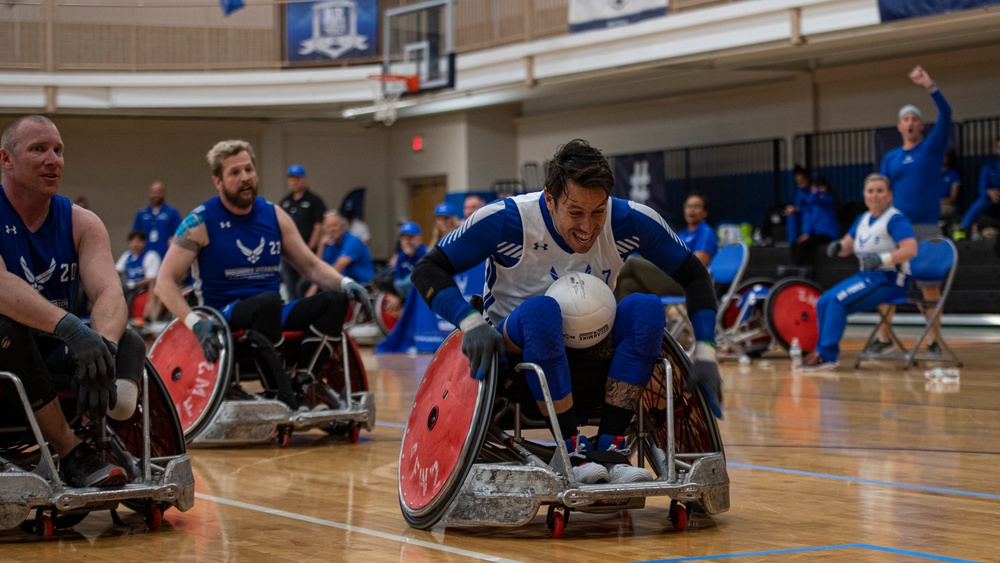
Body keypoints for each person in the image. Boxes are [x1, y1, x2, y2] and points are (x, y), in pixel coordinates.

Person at [411, 139, 722, 485]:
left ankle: (611, 448)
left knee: (645, 308)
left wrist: (707, 351)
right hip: (514, 350)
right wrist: (469, 323)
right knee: (544, 311)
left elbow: (695, 276)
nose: (588, 227)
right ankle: (571, 448)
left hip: (595, 347)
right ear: (550, 199)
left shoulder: (630, 221)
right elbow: (428, 269)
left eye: (597, 212)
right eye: (575, 212)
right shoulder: (508, 219)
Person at [154, 141, 370, 411]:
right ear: (218, 182)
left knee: (334, 301)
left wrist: (346, 283)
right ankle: (278, 390)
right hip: (224, 316)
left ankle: (302, 383)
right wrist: (193, 321)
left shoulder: (274, 215)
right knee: (267, 303)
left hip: (269, 311)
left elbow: (312, 267)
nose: (244, 177)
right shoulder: (200, 221)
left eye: (248, 169)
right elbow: (164, 282)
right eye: (234, 173)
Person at [0, 115, 147, 488]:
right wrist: (72, 329)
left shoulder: (83, 222)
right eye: (38, 149)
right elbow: (3, 287)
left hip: (47, 351)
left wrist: (103, 350)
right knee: (8, 329)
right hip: (6, 348)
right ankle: (71, 451)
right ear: (6, 160)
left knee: (127, 339)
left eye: (59, 150)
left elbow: (109, 293)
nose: (53, 159)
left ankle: (106, 430)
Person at [802, 174, 917, 371]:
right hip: (867, 277)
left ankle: (827, 356)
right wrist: (837, 247)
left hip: (889, 280)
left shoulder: (895, 219)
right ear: (864, 195)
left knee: (838, 301)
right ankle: (821, 350)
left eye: (880, 191)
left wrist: (883, 259)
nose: (875, 195)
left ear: (889, 195)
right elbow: (848, 245)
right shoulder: (862, 219)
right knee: (824, 300)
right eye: (870, 191)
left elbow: (910, 249)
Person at [876, 65, 951, 354]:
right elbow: (881, 194)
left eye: (915, 119)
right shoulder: (891, 158)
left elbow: (946, 115)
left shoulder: (931, 149)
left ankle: (933, 341)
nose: (910, 123)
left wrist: (929, 85)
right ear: (899, 126)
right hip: (896, 230)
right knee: (886, 284)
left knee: (929, 286)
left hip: (926, 228)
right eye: (905, 119)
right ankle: (884, 340)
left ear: (921, 126)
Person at [614, 192, 715, 301]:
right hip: (670, 275)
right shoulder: (682, 234)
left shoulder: (706, 232)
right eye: (688, 206)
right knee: (628, 285)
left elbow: (696, 267)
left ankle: (599, 287)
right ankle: (627, 317)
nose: (691, 210)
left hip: (687, 282)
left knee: (631, 263)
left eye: (696, 206)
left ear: (705, 213)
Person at [279, 164, 327, 300]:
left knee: (304, 284)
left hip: (306, 250)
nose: (294, 182)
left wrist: (310, 247)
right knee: (290, 284)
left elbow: (318, 226)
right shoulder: (285, 202)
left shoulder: (313, 200)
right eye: (291, 179)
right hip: (288, 252)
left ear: (304, 179)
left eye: (297, 178)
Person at [305, 210, 374, 297]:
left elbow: (338, 268)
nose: (332, 229)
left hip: (360, 285)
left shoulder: (353, 241)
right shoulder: (330, 244)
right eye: (328, 227)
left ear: (342, 226)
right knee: (304, 284)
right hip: (342, 284)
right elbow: (317, 266)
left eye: (335, 225)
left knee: (320, 290)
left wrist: (314, 287)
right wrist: (321, 246)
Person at [788, 177, 839, 268]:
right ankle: (797, 268)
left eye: (820, 187)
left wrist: (815, 192)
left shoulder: (829, 198)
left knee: (805, 245)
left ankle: (802, 269)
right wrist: (806, 234)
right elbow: (807, 206)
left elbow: (817, 200)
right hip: (816, 234)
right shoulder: (814, 204)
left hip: (828, 234)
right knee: (796, 244)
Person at [957, 137, 1000, 238]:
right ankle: (960, 232)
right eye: (999, 147)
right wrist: (990, 193)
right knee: (982, 200)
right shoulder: (989, 167)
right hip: (991, 199)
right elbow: (982, 188)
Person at [115, 230, 161, 321]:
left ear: (144, 243)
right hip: (129, 288)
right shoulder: (127, 256)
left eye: (138, 241)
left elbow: (151, 279)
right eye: (133, 241)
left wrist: (135, 284)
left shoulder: (150, 256)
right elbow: (116, 271)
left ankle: (150, 318)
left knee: (152, 285)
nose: (135, 244)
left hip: (144, 288)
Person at [132, 180, 182, 262]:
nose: (155, 195)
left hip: (165, 255)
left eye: (158, 192)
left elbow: (179, 234)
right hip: (145, 258)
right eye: (153, 192)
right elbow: (135, 235)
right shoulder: (142, 213)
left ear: (164, 194)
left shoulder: (172, 212)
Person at [939, 150, 961, 230]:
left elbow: (952, 198)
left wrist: (939, 202)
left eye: (944, 156)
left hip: (947, 205)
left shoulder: (953, 174)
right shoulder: (933, 174)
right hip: (932, 205)